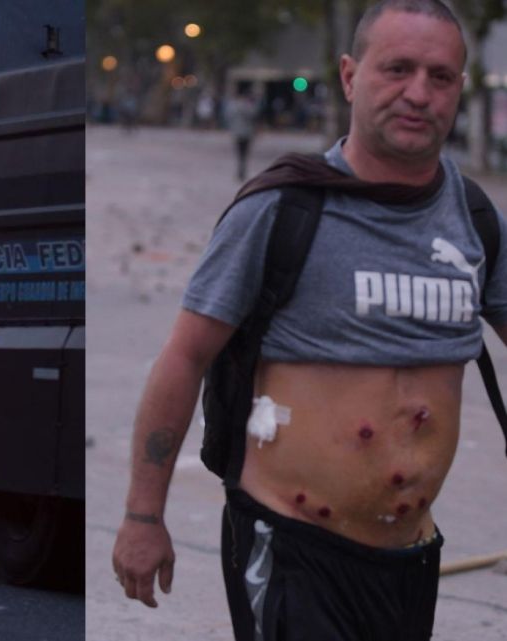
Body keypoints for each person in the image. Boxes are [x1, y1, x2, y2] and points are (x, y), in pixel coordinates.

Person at [111, 2, 505, 639]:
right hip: (291, 549)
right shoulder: (284, 208)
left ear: (460, 88)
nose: (418, 93)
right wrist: (141, 515)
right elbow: (185, 357)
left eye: (439, 76)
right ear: (350, 77)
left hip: (409, 556)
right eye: (397, 69)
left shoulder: (477, 221)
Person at [227, 88, 258, 181]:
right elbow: (253, 115)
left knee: (239, 153)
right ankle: (242, 171)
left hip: (237, 132)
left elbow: (228, 117)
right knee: (244, 154)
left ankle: (240, 172)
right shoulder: (248, 106)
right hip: (246, 133)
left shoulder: (233, 106)